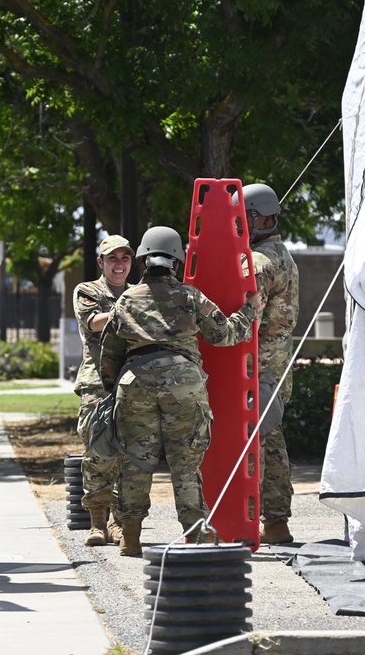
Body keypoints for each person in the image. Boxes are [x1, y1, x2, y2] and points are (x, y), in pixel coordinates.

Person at [100, 226, 263, 557]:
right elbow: (224, 334)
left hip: (136, 385)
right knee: (185, 464)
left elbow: (109, 354)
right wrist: (251, 309)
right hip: (183, 384)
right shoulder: (191, 297)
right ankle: (196, 534)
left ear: (143, 259)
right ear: (177, 261)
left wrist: (116, 390)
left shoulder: (126, 300)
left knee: (136, 464)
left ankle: (129, 537)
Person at [237, 183, 300, 545]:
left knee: (252, 442)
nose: (238, 226)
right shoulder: (282, 254)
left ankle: (247, 520)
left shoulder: (258, 262)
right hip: (276, 367)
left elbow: (243, 313)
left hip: (254, 368)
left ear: (260, 217)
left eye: (243, 219)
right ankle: (277, 522)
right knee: (272, 440)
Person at [72, 234, 134, 546]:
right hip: (97, 384)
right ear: (101, 262)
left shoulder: (139, 293)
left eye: (125, 258)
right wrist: (132, 311)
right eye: (113, 258)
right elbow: (94, 322)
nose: (119, 264)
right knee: (97, 452)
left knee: (128, 456)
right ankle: (97, 522)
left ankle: (118, 523)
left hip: (132, 382)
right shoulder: (88, 290)